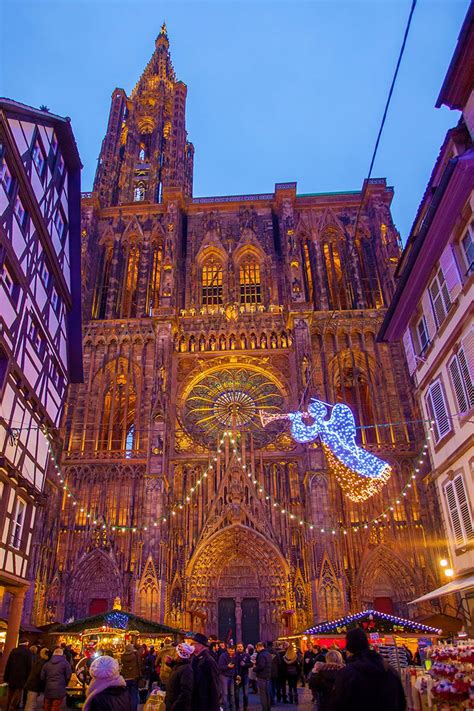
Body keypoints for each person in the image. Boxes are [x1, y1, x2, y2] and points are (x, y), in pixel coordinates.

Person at [329, 628, 407, 711]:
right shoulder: (390, 670)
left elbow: (336, 705)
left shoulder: (346, 674)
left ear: (349, 648)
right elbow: (401, 702)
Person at [185, 632, 220, 711]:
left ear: (200, 645)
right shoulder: (194, 658)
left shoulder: (209, 661)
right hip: (195, 700)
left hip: (204, 701)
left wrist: (214, 707)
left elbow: (214, 685)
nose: (191, 645)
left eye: (193, 643)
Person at [40, 647, 72, 711]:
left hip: (48, 687)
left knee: (47, 706)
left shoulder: (47, 663)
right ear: (62, 654)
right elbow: (68, 675)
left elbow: (42, 676)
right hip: (60, 687)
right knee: (56, 706)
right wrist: (65, 683)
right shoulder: (65, 663)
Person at [164, 643, 194, 711]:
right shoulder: (180, 665)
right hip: (172, 702)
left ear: (180, 655)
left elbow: (185, 691)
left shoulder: (187, 669)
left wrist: (175, 706)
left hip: (177, 706)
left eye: (177, 652)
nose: (175, 654)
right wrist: (170, 663)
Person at [4, 639, 32, 711]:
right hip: (21, 677)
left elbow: (8, 664)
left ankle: (7, 707)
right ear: (26, 644)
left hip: (11, 676)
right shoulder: (28, 652)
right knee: (17, 694)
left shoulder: (14, 651)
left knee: (10, 693)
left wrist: (6, 677)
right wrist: (27, 678)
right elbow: (29, 666)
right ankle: (12, 708)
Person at [120, 644, 142, 711]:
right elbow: (139, 664)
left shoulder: (122, 656)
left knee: (127, 695)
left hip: (126, 677)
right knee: (134, 695)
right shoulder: (135, 655)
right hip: (134, 677)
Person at [218, 645, 237, 711]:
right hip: (224, 676)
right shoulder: (223, 656)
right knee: (225, 694)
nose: (232, 652)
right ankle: (226, 709)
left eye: (233, 651)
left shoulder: (235, 656)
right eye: (230, 651)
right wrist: (227, 666)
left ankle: (232, 709)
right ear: (228, 649)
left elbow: (235, 666)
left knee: (232, 694)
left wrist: (236, 674)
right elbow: (219, 667)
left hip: (231, 676)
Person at [254, 642, 272, 711]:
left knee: (263, 695)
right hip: (267, 676)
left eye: (256, 648)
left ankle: (264, 709)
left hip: (262, 676)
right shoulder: (268, 653)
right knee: (267, 694)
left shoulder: (261, 654)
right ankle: (268, 708)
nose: (256, 649)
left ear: (259, 647)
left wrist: (255, 668)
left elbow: (261, 665)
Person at [235, 643, 252, 711]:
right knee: (236, 693)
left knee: (246, 692)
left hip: (245, 676)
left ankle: (246, 706)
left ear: (243, 647)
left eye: (241, 647)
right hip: (237, 676)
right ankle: (237, 707)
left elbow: (251, 664)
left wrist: (245, 664)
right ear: (236, 648)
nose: (240, 648)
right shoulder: (234, 655)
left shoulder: (247, 655)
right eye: (238, 647)